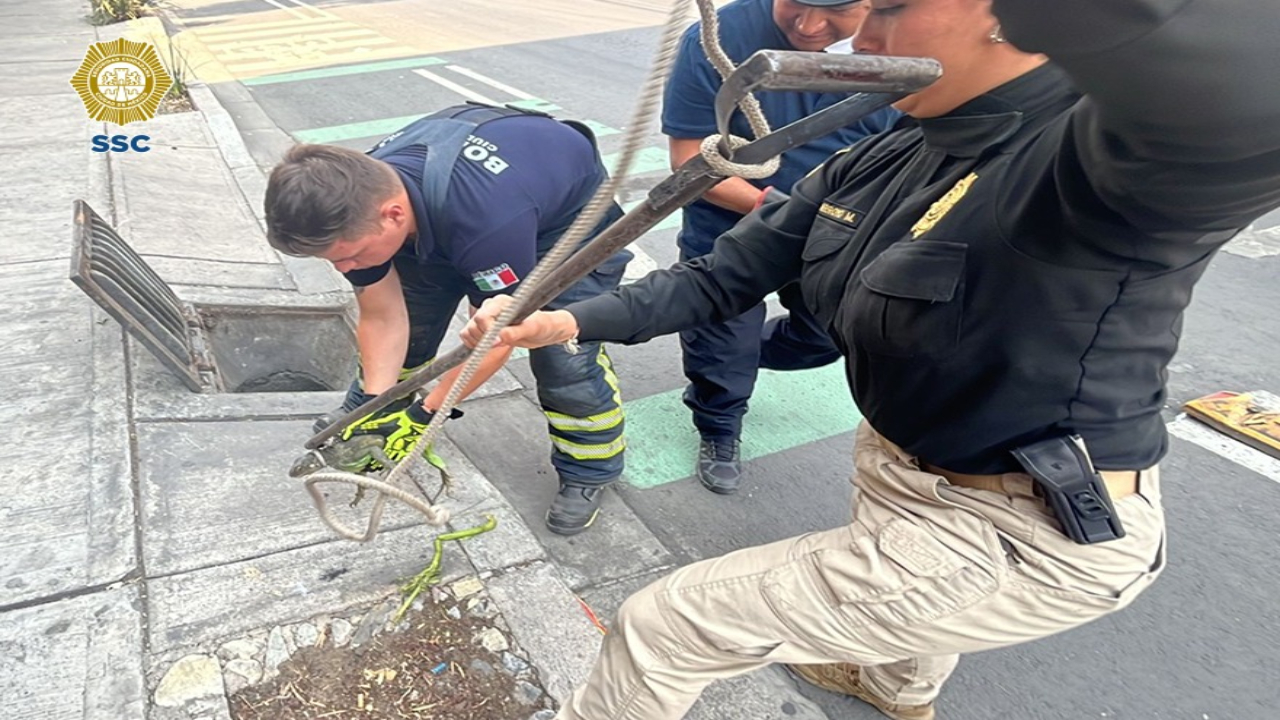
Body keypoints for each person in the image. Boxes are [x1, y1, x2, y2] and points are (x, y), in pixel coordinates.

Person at [463, 0, 1280, 717]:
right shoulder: (888, 151)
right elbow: (724, 276)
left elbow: (1246, 88)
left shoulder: (1101, 171)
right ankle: (893, 690)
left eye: (888, 7)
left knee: (665, 625)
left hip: (1025, 524)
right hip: (897, 464)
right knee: (902, 617)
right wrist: (564, 320)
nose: (864, 44)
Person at [264, 103, 632, 536]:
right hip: (452, 211)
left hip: (561, 223)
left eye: (350, 256)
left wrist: (427, 414)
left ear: (394, 216)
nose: (345, 269)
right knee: (413, 323)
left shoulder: (488, 223)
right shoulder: (356, 202)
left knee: (561, 355)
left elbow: (495, 338)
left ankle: (590, 469)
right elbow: (382, 316)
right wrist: (374, 403)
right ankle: (376, 416)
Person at [664, 0, 898, 494]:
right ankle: (719, 424)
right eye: (795, 2)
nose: (809, 26)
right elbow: (689, 160)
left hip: (839, 235)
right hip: (729, 223)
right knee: (721, 344)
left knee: (824, 339)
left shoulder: (906, 45)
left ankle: (748, 355)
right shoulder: (716, 39)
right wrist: (781, 211)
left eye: (835, 10)